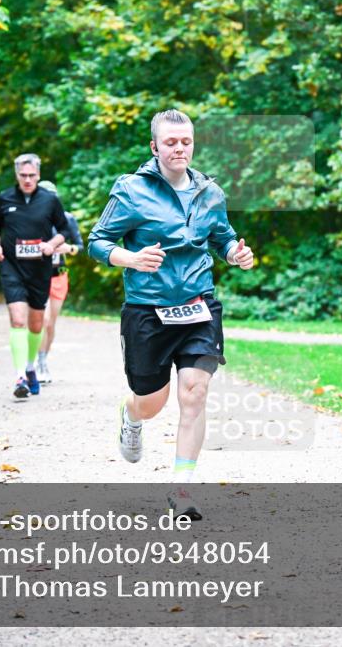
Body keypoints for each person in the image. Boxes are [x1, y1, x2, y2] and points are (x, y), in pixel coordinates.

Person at [88, 109, 254, 519]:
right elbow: (97, 241)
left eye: (186, 142)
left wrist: (236, 253)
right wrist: (131, 257)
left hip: (198, 306)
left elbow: (223, 237)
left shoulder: (209, 191)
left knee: (194, 392)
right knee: (152, 401)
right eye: (170, 142)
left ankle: (181, 489)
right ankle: (131, 415)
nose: (179, 148)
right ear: (155, 147)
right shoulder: (131, 190)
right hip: (148, 311)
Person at [0, 154, 69, 399]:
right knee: (18, 319)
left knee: (36, 324)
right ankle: (20, 375)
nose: (27, 180)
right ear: (16, 175)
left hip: (39, 269)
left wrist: (52, 244)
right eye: (23, 175)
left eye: (32, 175)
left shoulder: (50, 200)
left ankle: (31, 365)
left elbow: (64, 229)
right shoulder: (5, 198)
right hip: (12, 267)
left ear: (38, 175)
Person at [35, 180, 84, 385]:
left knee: (51, 323)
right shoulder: (32, 219)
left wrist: (68, 249)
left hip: (59, 275)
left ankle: (44, 359)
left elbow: (80, 246)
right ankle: (38, 363)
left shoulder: (67, 219)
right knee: (43, 321)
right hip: (37, 275)